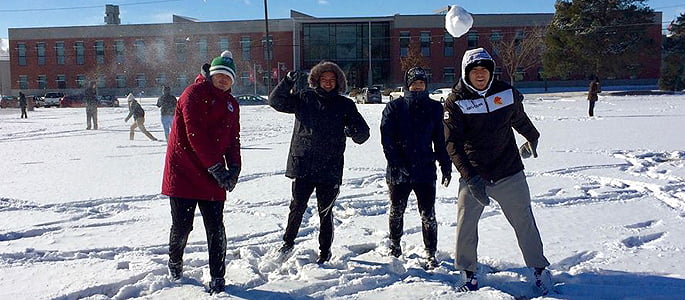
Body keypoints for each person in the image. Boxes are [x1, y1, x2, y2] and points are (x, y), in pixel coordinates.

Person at [443, 48, 551, 294]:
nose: (480, 75)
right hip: (475, 172)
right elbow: (452, 144)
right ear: (465, 73)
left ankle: (539, 270)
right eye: (474, 71)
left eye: (484, 70)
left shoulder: (505, 93)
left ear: (491, 72)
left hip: (508, 169)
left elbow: (519, 119)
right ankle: (468, 272)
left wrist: (532, 137)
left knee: (524, 220)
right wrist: (471, 178)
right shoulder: (456, 100)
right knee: (466, 223)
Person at [269, 60, 370, 264]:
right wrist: (287, 82)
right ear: (316, 80)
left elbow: (364, 133)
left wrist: (353, 132)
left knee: (326, 212)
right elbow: (276, 102)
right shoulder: (304, 98)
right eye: (324, 79)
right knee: (297, 207)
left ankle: (325, 251)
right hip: (304, 164)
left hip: (330, 168)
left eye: (332, 79)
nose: (328, 82)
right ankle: (287, 243)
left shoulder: (345, 105)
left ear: (338, 82)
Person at [161, 50, 241, 295]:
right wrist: (217, 167)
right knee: (183, 226)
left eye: (228, 77)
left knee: (216, 228)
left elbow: (233, 139)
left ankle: (218, 276)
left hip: (212, 175)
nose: (223, 80)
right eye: (219, 75)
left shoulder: (231, 104)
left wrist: (235, 168)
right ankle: (175, 260)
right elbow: (195, 134)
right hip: (184, 172)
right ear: (211, 74)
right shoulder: (193, 94)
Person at [380, 67, 451, 268]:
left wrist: (445, 164)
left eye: (421, 83)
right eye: (414, 83)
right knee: (396, 210)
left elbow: (440, 140)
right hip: (398, 172)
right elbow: (387, 139)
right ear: (407, 84)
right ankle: (395, 244)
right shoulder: (394, 108)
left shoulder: (435, 108)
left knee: (428, 214)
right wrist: (396, 163)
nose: (417, 86)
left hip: (425, 170)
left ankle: (430, 252)